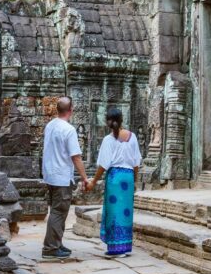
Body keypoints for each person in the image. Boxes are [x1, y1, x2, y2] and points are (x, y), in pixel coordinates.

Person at [86, 108, 140, 258]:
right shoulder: (133, 137)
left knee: (114, 212)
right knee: (125, 212)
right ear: (122, 119)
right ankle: (124, 245)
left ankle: (116, 247)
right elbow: (136, 163)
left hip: (115, 178)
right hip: (128, 177)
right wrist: (134, 180)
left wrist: (94, 182)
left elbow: (103, 165)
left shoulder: (108, 140)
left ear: (108, 122)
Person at [41, 97, 89, 259]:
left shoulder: (50, 126)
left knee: (57, 210)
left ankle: (56, 242)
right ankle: (50, 248)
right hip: (61, 175)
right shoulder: (68, 130)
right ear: (71, 110)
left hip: (50, 173)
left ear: (57, 109)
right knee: (59, 211)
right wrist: (84, 177)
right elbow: (76, 157)